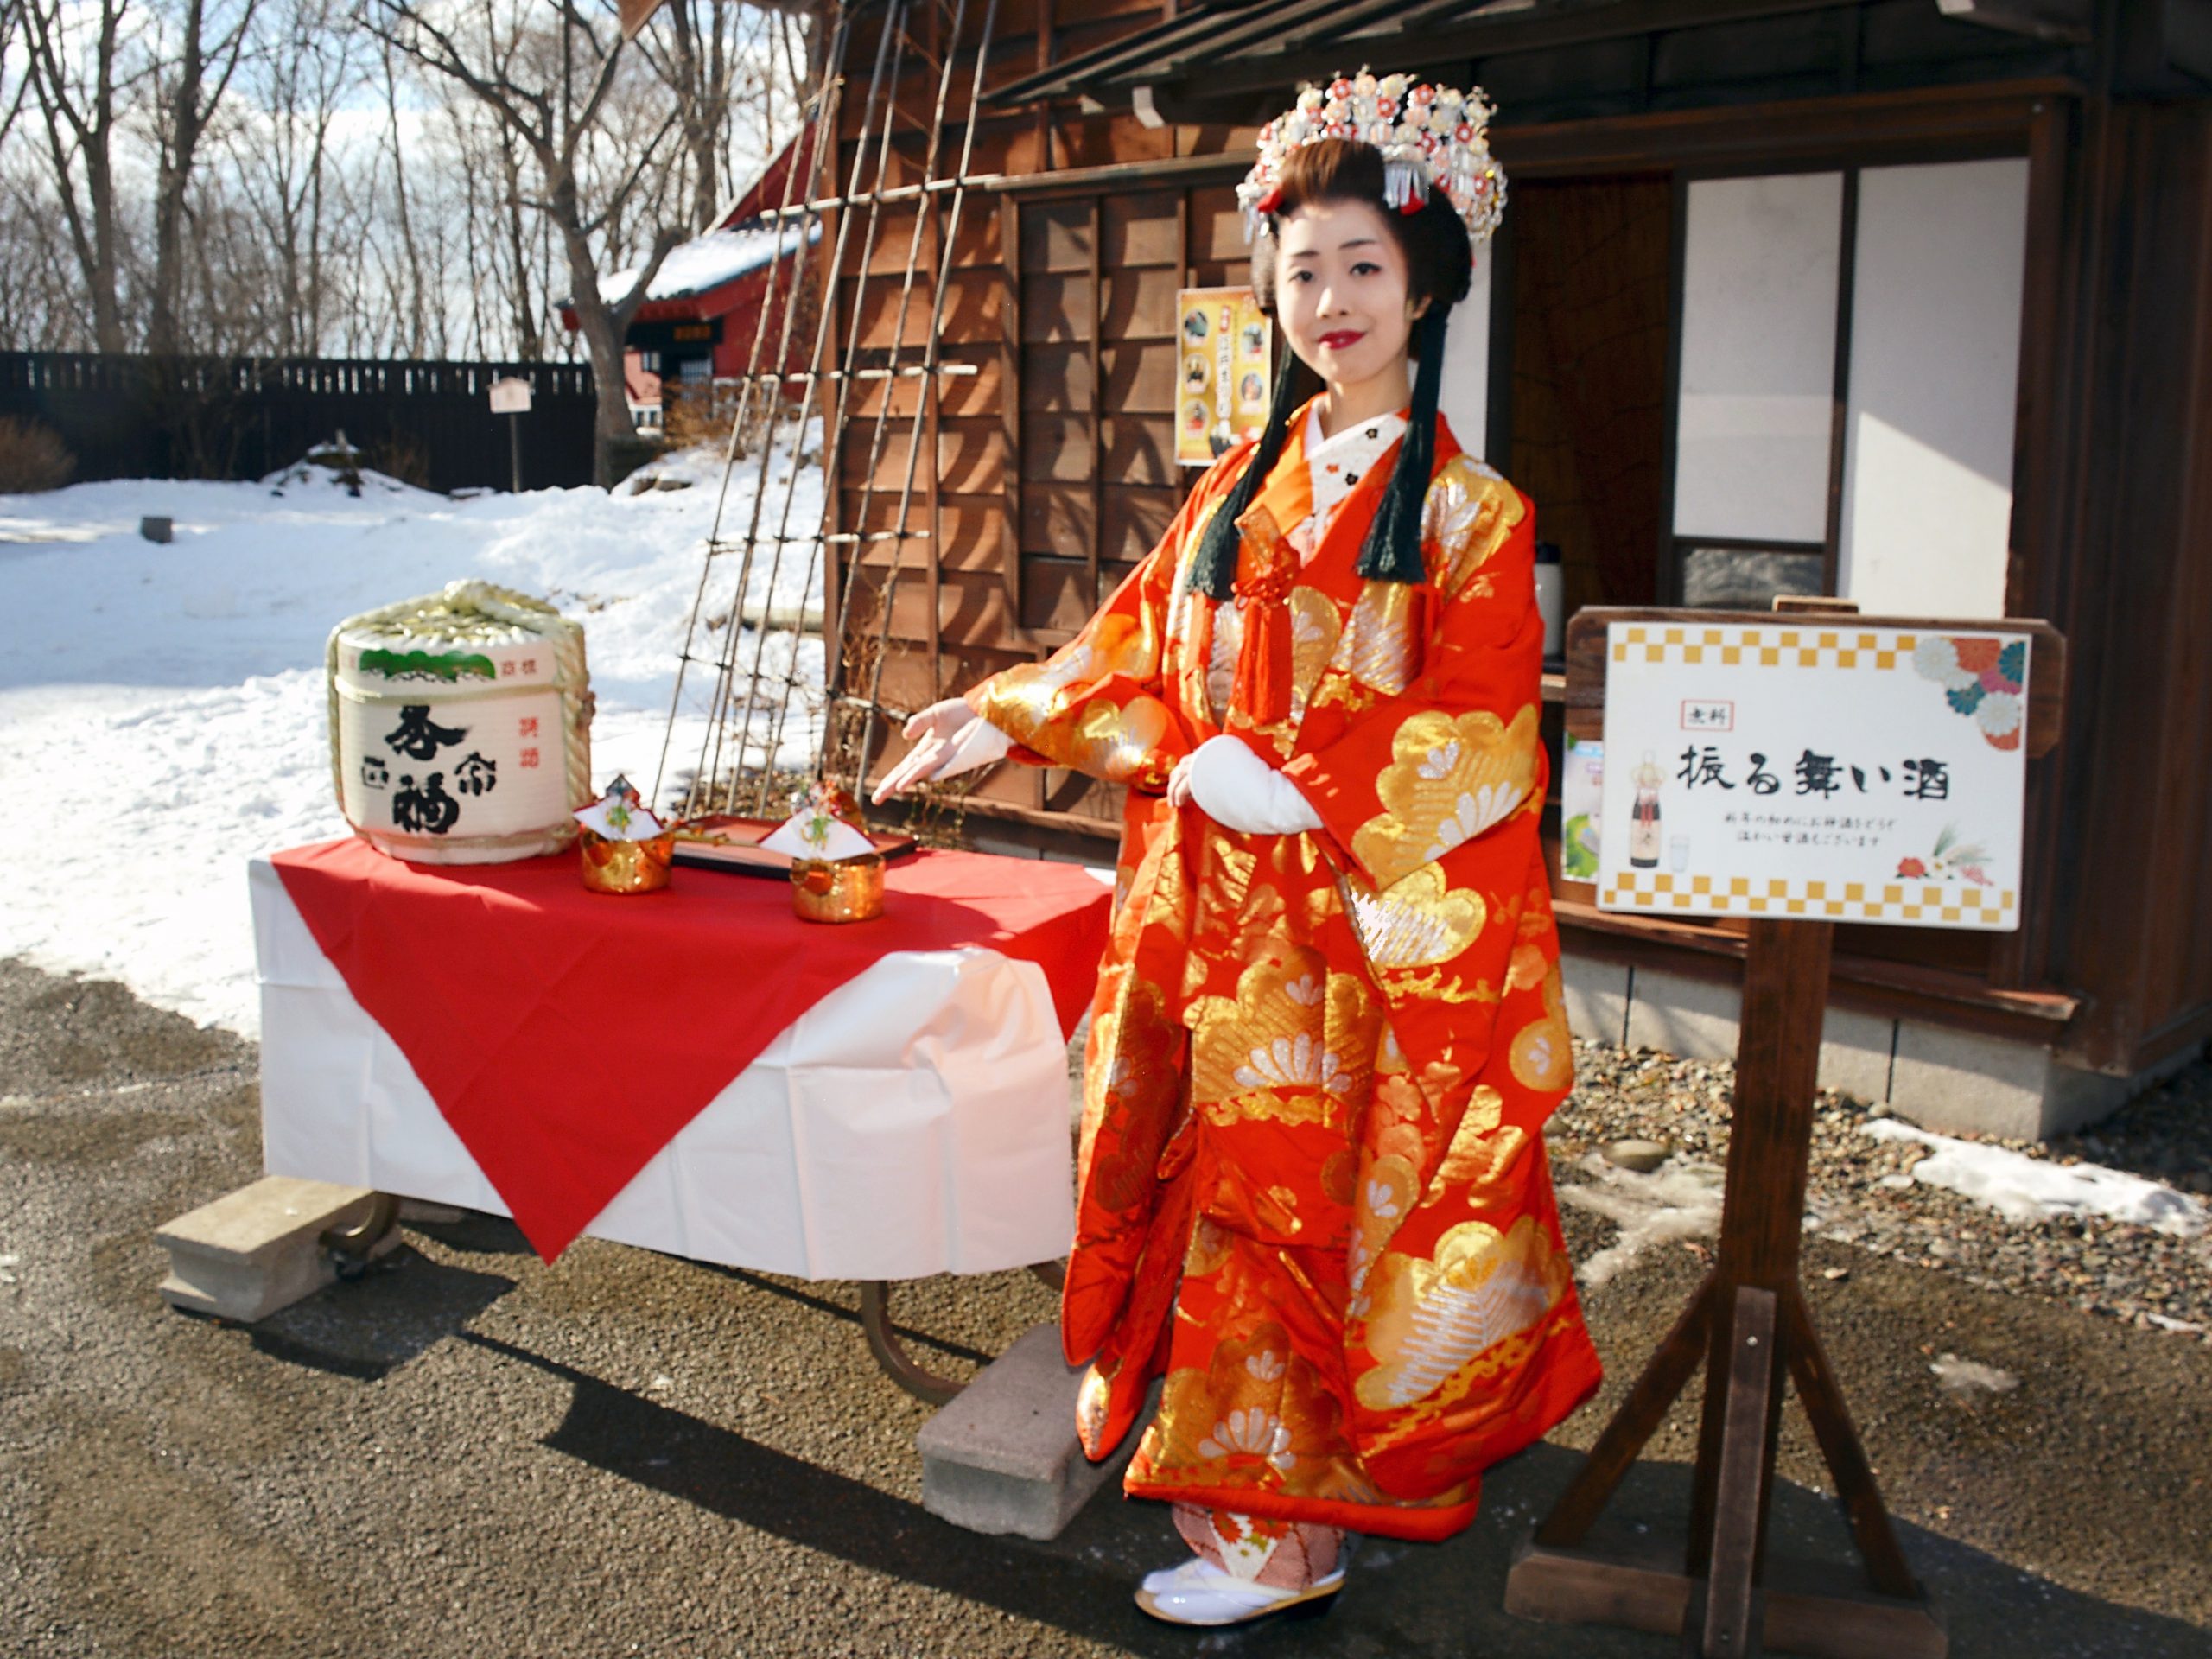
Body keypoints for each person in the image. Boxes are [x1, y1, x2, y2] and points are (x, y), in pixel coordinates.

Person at [873, 71, 1600, 1628]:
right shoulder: (1233, 491)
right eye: (1303, 268)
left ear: (1425, 284)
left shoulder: (1475, 516)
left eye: (1363, 266)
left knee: (1315, 1224)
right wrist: (1000, 711)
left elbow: (1481, 729)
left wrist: (1302, 789)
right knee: (1218, 1209)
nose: (1331, 300)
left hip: (1354, 950)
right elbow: (1131, 648)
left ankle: (1287, 1546)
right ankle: (1250, 1519)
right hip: (1210, 925)